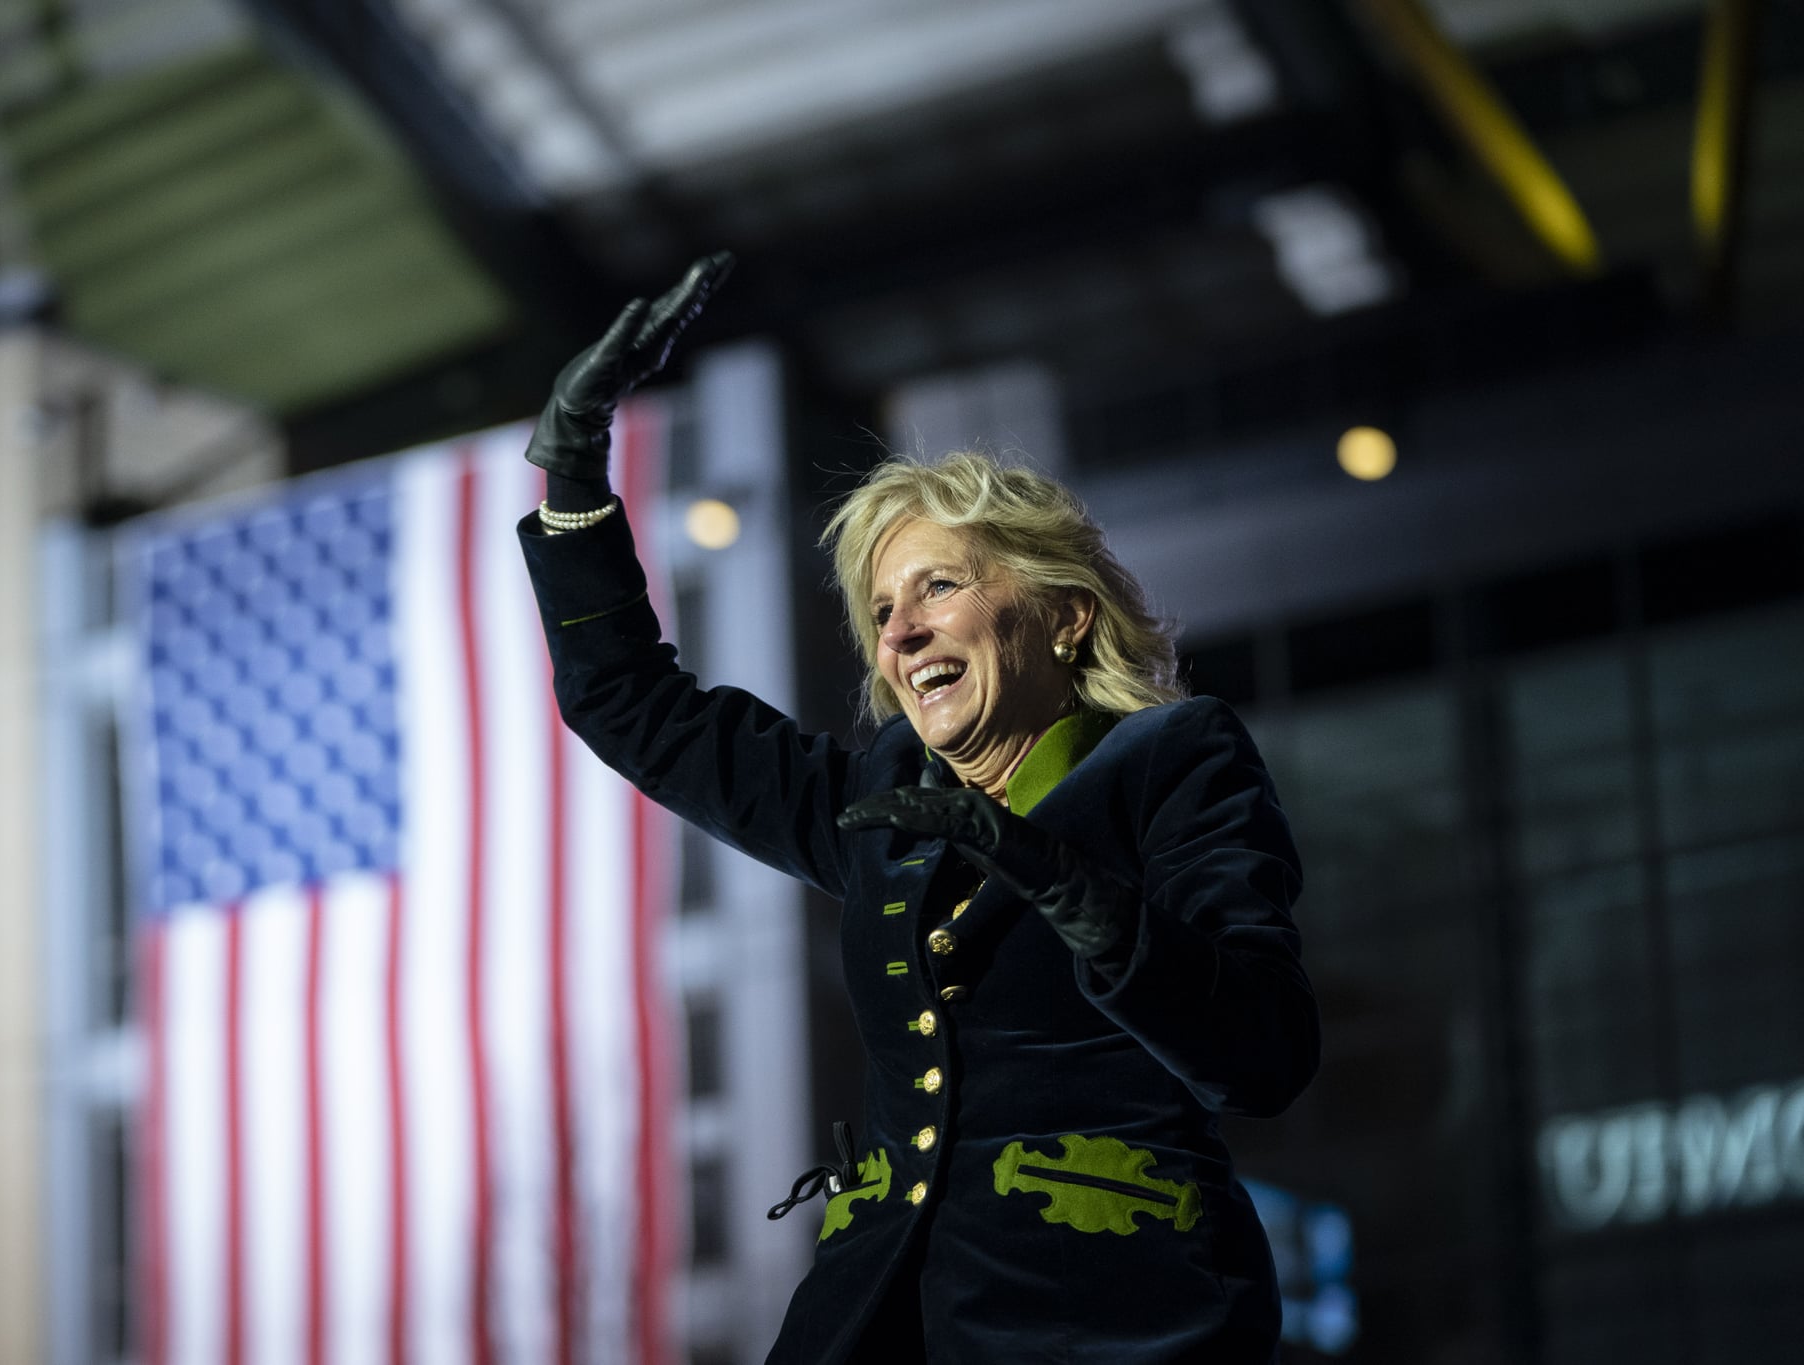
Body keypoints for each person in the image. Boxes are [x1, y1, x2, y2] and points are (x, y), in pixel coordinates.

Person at [517, 254, 1319, 1364]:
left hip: (1108, 1317)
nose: (896, 633)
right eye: (881, 609)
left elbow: (1261, 1054)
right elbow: (632, 703)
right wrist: (570, 478)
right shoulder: (880, 813)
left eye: (938, 586)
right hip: (880, 1316)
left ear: (1063, 619)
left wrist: (1071, 891)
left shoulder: (1173, 760)